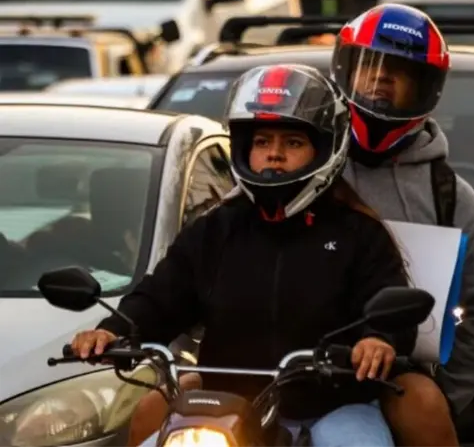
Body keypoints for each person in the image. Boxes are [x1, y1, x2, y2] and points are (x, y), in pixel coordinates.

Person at [68, 64, 415, 447]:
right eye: (262, 142)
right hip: (224, 409)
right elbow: (161, 297)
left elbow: (389, 303)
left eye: (293, 143)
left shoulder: (359, 234)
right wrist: (112, 331)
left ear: (324, 149)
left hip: (333, 406)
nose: (274, 155)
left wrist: (379, 339)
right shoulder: (214, 230)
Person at [331, 3, 474, 447]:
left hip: (392, 382)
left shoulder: (448, 195)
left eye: (399, 71)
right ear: (346, 69)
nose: (381, 79)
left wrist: (442, 396)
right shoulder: (302, 167)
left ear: (425, 88)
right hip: (284, 372)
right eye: (370, 65)